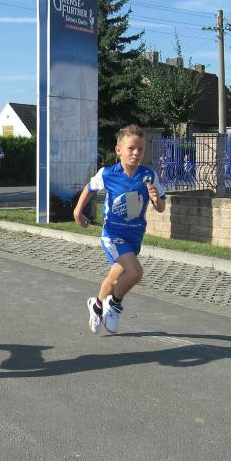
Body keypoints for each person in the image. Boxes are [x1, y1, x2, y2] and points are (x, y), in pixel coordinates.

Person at [73, 124, 166, 334]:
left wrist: (156, 199)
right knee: (135, 272)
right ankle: (114, 305)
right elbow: (89, 188)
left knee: (115, 278)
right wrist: (78, 211)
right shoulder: (107, 174)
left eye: (140, 149)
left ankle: (97, 306)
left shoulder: (149, 175)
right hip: (113, 234)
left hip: (134, 236)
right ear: (118, 150)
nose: (136, 153)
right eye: (131, 148)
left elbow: (161, 207)